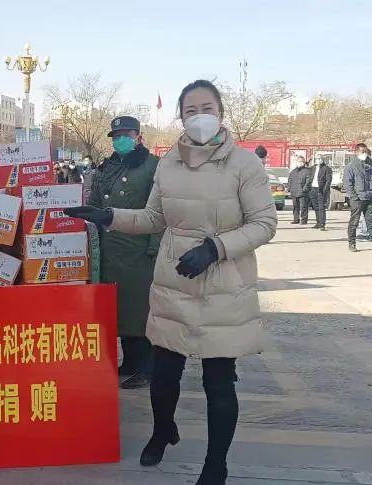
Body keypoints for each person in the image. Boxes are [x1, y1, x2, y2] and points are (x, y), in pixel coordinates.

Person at [65, 80, 277, 485]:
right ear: (181, 117)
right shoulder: (169, 164)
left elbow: (264, 223)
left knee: (219, 382)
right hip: (173, 282)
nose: (200, 117)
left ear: (221, 112)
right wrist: (110, 217)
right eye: (191, 110)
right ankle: (163, 431)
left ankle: (216, 465)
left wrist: (215, 248)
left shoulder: (244, 164)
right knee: (163, 377)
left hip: (223, 286)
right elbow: (153, 218)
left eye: (207, 108)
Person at [87, 116, 160, 389]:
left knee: (141, 310)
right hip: (111, 250)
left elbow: (160, 212)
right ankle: (130, 362)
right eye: (116, 136)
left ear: (138, 136)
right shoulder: (108, 167)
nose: (120, 140)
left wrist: (155, 248)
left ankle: (147, 367)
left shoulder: (153, 166)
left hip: (139, 251)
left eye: (126, 135)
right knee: (121, 309)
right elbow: (97, 202)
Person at [344, 143, 372, 252]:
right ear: (357, 152)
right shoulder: (351, 166)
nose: (365, 154)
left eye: (366, 151)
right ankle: (352, 243)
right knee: (354, 221)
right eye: (362, 152)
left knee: (370, 220)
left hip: (369, 197)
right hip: (357, 199)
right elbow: (347, 183)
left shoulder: (370, 163)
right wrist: (354, 196)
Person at [305, 155, 332, 231]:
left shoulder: (326, 168)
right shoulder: (312, 168)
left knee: (321, 207)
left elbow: (328, 180)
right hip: (312, 189)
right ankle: (318, 222)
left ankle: (322, 224)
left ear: (323, 159)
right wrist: (308, 187)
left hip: (321, 190)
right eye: (317, 159)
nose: (318, 160)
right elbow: (309, 178)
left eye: (320, 158)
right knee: (315, 207)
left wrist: (324, 189)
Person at [288, 156, 309, 224]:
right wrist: (289, 189)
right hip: (294, 191)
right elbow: (290, 180)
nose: (300, 163)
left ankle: (304, 220)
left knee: (303, 206)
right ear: (296, 162)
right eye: (299, 161)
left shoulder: (307, 171)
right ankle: (296, 219)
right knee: (295, 206)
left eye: (301, 161)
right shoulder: (293, 171)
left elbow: (308, 181)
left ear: (304, 162)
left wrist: (305, 188)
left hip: (303, 192)